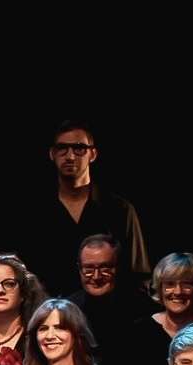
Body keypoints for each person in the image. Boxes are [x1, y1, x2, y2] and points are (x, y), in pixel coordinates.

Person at [23, 120, 148, 300]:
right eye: (62, 148)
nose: (70, 156)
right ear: (52, 154)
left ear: (93, 154)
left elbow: (138, 273)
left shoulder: (119, 209)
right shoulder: (34, 212)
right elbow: (24, 274)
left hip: (110, 313)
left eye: (79, 148)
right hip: (50, 316)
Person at [76, 235, 161, 365]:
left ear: (118, 267)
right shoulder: (69, 309)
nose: (97, 276)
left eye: (105, 268)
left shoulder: (145, 308)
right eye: (89, 269)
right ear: (79, 269)